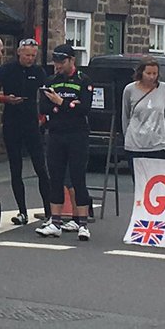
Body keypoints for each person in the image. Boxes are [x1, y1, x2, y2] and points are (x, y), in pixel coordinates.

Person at [36, 43, 95, 241]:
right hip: (56, 133)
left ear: (72, 60)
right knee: (56, 177)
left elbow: (84, 108)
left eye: (62, 62)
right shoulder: (51, 80)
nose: (58, 66)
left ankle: (83, 224)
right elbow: (44, 106)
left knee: (78, 178)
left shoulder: (83, 80)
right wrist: (67, 106)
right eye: (56, 62)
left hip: (77, 135)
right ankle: (55, 221)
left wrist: (60, 103)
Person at [0, 38, 51, 226]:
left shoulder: (38, 72)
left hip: (31, 122)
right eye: (27, 55)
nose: (30, 58)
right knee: (15, 168)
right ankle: (22, 211)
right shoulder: (6, 70)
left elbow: (46, 95)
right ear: (19, 53)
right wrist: (6, 99)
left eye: (33, 56)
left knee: (40, 168)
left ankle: (49, 211)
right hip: (12, 120)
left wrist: (43, 116)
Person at [121, 57, 165, 175]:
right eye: (148, 73)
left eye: (155, 73)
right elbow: (125, 115)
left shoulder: (164, 89)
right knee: (139, 181)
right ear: (141, 72)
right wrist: (127, 136)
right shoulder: (129, 89)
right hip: (135, 144)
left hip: (158, 144)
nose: (152, 77)